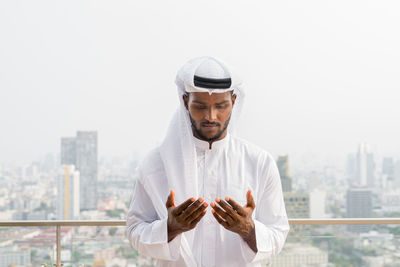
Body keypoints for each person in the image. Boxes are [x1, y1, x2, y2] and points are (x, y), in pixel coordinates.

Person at [126, 56, 289, 267]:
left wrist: (248, 230)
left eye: (221, 106)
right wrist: (170, 227)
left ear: (234, 102)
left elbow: (278, 234)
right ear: (186, 102)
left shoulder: (259, 162)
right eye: (200, 107)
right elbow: (134, 230)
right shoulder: (156, 163)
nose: (211, 116)